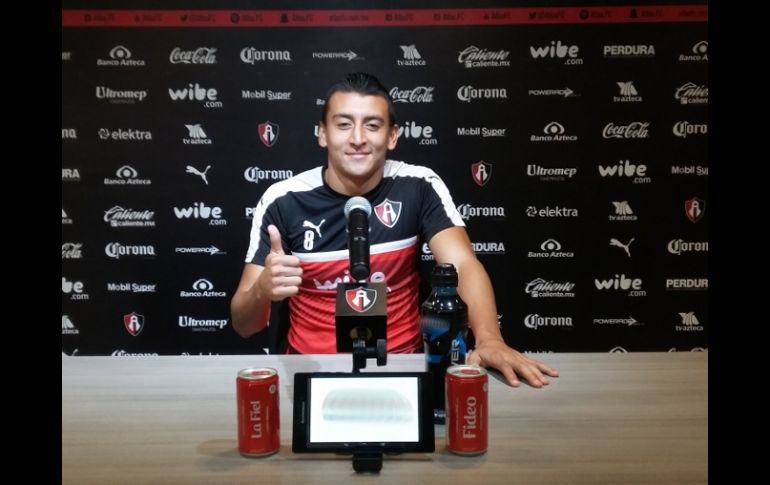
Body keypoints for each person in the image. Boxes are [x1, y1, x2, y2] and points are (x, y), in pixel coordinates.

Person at [231, 72, 558, 388]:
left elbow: (462, 264)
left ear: (392, 136)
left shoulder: (418, 185)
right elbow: (244, 325)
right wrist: (262, 289)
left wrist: (489, 338)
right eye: (343, 124)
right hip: (308, 374)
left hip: (405, 369)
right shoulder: (282, 200)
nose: (358, 138)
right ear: (322, 133)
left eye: (372, 125)